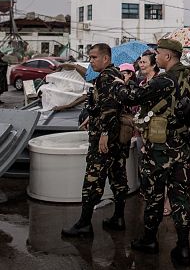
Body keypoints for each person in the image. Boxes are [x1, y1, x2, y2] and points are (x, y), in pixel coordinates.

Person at [114, 38, 190, 266]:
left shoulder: (164, 80)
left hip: (160, 149)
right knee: (180, 196)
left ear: (167, 56)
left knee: (154, 194)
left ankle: (150, 239)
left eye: (158, 53)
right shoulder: (189, 78)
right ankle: (183, 247)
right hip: (182, 147)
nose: (155, 56)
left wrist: (120, 84)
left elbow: (131, 97)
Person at [61, 44, 128, 238]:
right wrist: (93, 116)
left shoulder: (105, 77)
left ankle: (84, 224)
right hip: (117, 137)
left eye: (93, 57)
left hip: (105, 138)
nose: (90, 61)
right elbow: (109, 105)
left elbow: (110, 107)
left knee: (93, 178)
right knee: (117, 175)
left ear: (105, 58)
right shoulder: (115, 74)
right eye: (89, 57)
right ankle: (118, 218)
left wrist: (104, 133)